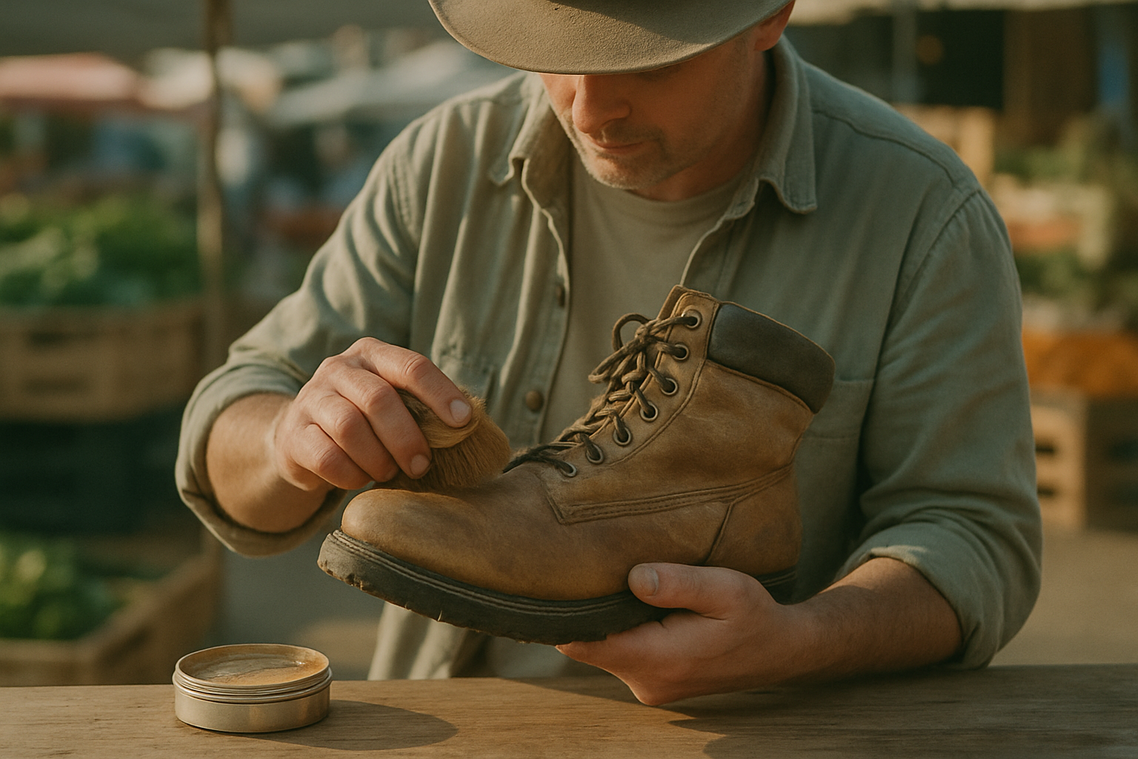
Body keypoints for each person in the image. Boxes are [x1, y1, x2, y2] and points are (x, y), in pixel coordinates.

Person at [176, 0, 1042, 705]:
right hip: (443, 721)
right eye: (555, 43)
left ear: (770, 15)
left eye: (645, 60)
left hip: (755, 737)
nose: (589, 106)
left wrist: (800, 641)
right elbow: (229, 426)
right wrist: (292, 437)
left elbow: (972, 535)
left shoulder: (924, 213)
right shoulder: (441, 162)